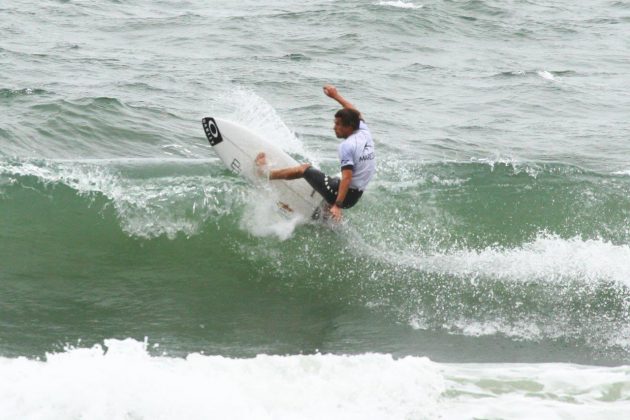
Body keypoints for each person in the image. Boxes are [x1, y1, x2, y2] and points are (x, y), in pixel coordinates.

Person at [255, 85, 376, 221]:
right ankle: (325, 216)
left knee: (305, 169)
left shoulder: (346, 146)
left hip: (345, 196)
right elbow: (355, 112)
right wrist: (335, 96)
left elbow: (347, 177)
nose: (334, 127)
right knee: (334, 181)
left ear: (349, 126)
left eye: (338, 125)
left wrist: (338, 205)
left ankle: (266, 174)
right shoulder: (363, 130)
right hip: (355, 195)